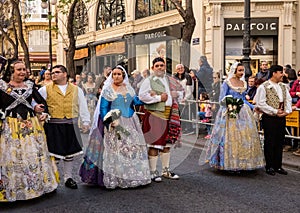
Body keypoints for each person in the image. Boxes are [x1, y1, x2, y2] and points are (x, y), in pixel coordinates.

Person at [80, 65, 151, 189]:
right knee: (116, 149)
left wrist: (150, 98)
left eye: (119, 74)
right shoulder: (108, 90)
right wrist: (109, 120)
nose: (116, 76)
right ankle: (116, 177)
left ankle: (134, 175)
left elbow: (136, 102)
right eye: (114, 74)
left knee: (132, 148)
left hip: (130, 121)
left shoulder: (129, 88)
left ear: (123, 76)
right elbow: (103, 108)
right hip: (115, 121)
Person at [0, 61, 58, 202]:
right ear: (11, 72)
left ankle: (36, 187)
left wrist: (39, 109)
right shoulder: (2, 86)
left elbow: (41, 102)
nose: (22, 72)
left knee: (33, 155)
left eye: (24, 69)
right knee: (13, 156)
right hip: (11, 126)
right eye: (18, 69)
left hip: (30, 125)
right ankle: (15, 189)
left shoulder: (30, 86)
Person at [201, 63, 265, 171]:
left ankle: (242, 162)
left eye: (242, 70)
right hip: (229, 110)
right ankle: (227, 162)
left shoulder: (243, 83)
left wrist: (253, 107)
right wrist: (231, 105)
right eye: (239, 70)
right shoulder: (227, 83)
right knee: (229, 137)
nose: (241, 72)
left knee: (244, 137)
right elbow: (222, 98)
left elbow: (244, 99)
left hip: (243, 111)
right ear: (234, 70)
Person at [38, 65, 90, 189]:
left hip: (71, 124)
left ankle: (68, 178)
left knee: (69, 153)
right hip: (54, 125)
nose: (53, 75)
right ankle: (52, 179)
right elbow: (37, 104)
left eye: (57, 72)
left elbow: (82, 106)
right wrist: (42, 113)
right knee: (54, 154)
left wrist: (86, 121)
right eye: (52, 73)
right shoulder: (45, 89)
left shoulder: (77, 90)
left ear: (65, 74)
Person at [139, 57, 184, 182]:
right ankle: (153, 172)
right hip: (155, 114)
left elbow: (182, 92)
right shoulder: (148, 81)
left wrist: (177, 94)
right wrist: (159, 98)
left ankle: (165, 170)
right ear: (153, 68)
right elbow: (142, 96)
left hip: (170, 114)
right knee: (155, 144)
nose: (159, 67)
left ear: (165, 67)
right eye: (157, 65)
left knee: (167, 143)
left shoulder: (170, 80)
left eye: (162, 65)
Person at [255, 65, 292, 176]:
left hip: (281, 117)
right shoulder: (264, 87)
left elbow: (288, 99)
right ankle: (269, 165)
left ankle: (278, 165)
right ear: (274, 73)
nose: (282, 75)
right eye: (281, 72)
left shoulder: (284, 86)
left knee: (280, 141)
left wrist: (287, 111)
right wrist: (275, 111)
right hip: (269, 117)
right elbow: (261, 103)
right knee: (270, 141)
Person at [173, 64, 194, 135]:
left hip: (186, 99)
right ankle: (183, 128)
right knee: (180, 114)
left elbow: (189, 89)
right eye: (178, 68)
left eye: (181, 68)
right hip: (178, 98)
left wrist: (186, 98)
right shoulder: (175, 77)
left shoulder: (188, 77)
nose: (180, 69)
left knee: (187, 114)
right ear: (176, 70)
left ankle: (189, 129)